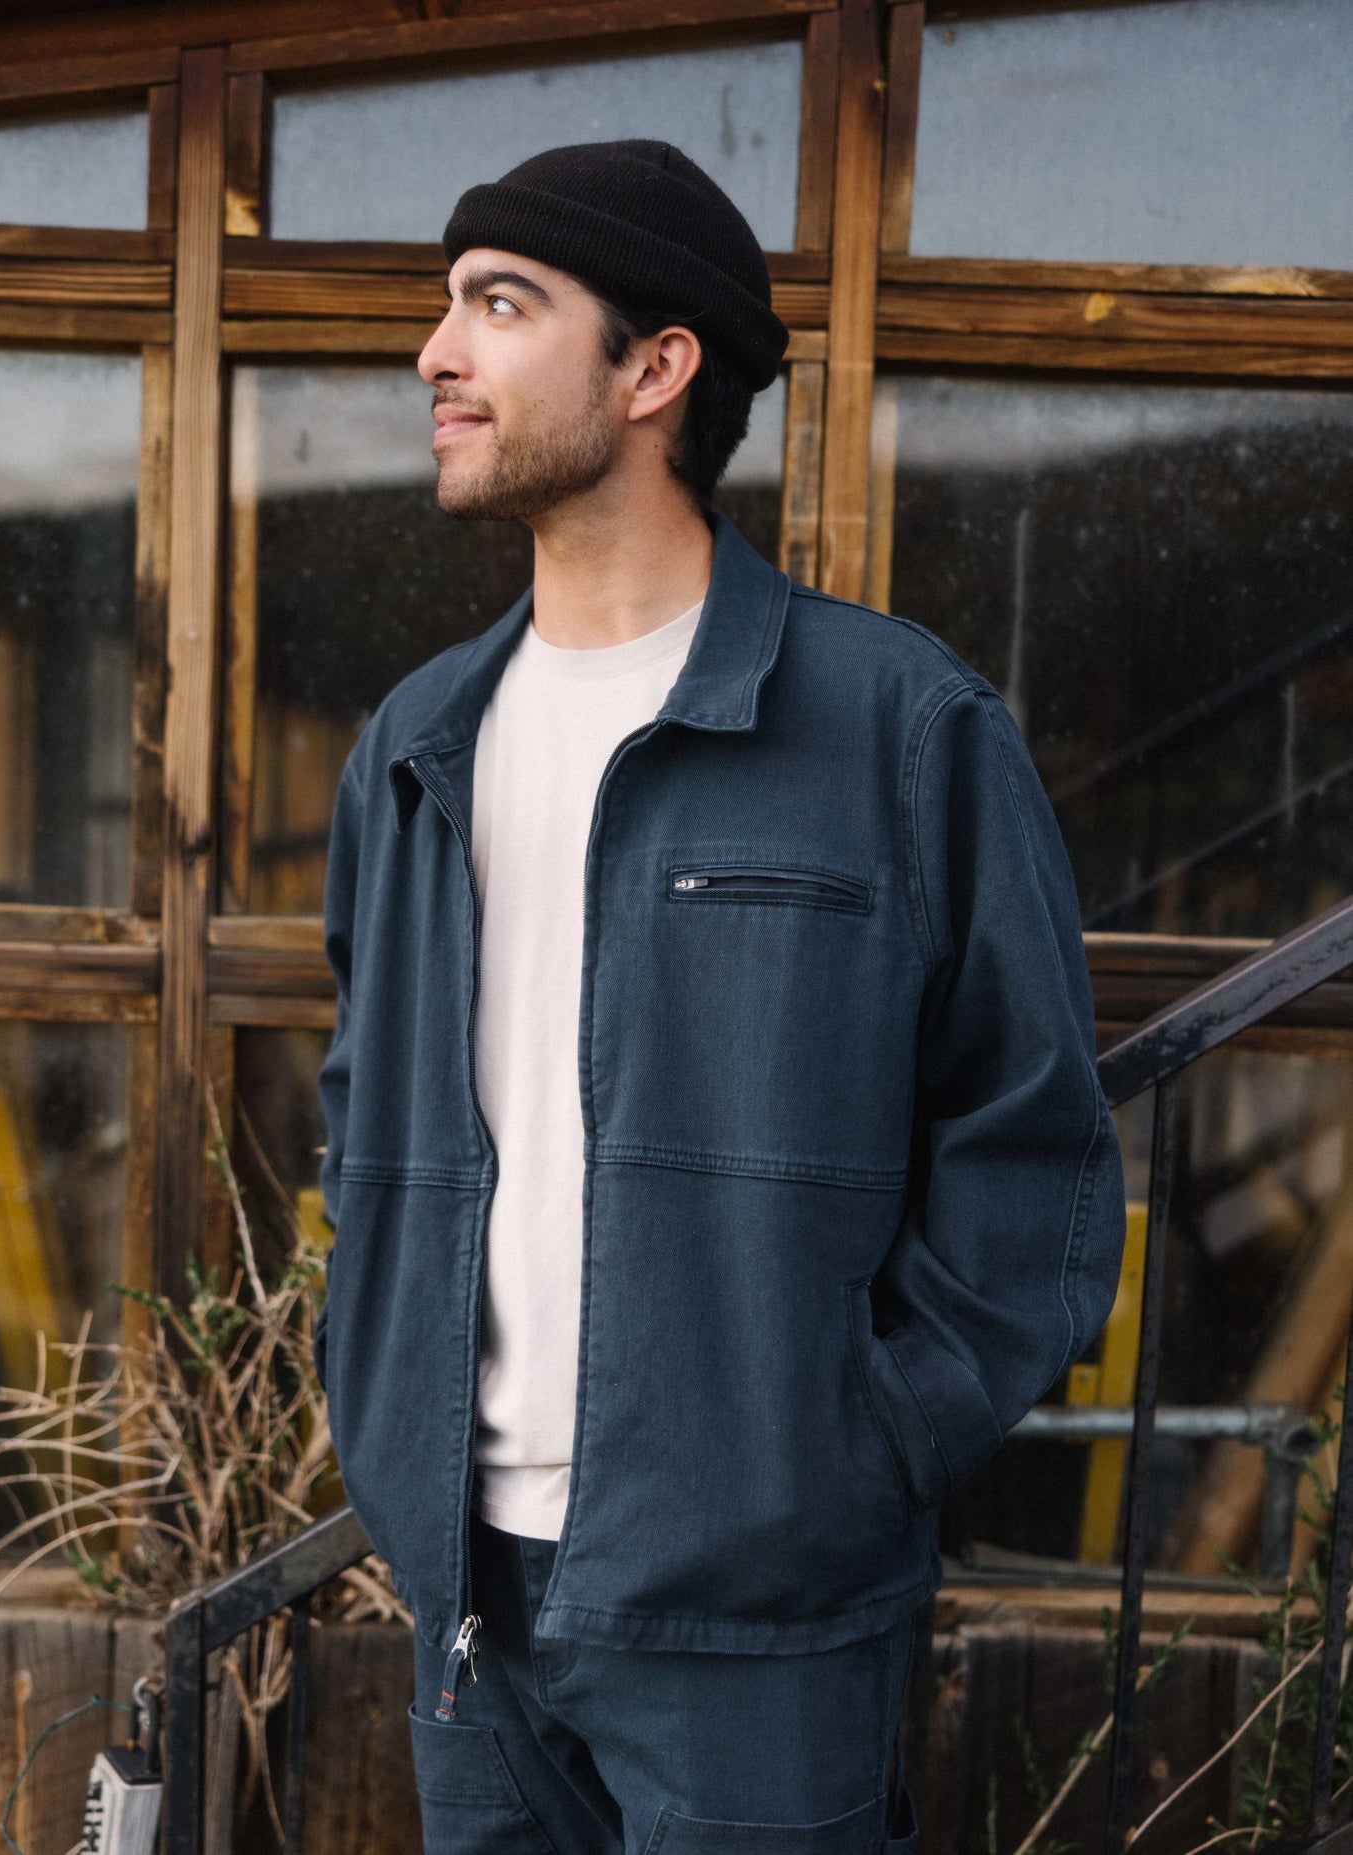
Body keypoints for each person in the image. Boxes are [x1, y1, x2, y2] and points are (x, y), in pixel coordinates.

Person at [313, 138, 1127, 1854]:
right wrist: (374, 1401)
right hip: (467, 1603)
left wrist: (864, 1436)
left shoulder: (897, 728)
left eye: (499, 305)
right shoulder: (416, 748)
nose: (433, 355)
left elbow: (1033, 1140)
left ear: (656, 370)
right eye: (444, 307)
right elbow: (362, 1104)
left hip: (760, 1629)